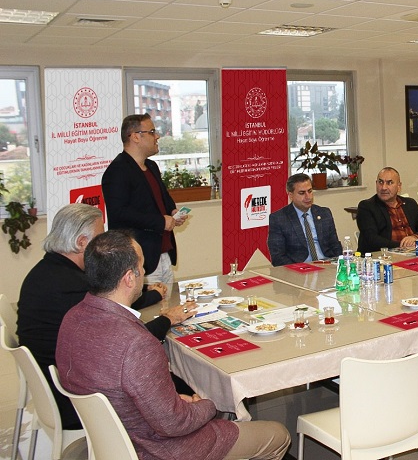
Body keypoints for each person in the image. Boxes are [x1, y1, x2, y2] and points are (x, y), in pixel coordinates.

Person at [56, 231, 292, 460]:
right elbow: (174, 424)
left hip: (110, 440)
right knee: (278, 435)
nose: (144, 273)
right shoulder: (137, 343)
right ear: (129, 278)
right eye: (141, 267)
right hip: (156, 448)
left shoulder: (72, 318)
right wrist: (208, 403)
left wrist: (177, 405)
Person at [17, 204, 197, 430]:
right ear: (81, 242)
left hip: (61, 381)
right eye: (100, 237)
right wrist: (168, 319)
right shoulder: (72, 285)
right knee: (184, 383)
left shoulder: (47, 271)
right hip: (77, 401)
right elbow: (127, 345)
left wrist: (146, 293)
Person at [102, 113, 187, 289]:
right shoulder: (117, 171)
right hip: (139, 259)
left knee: (167, 303)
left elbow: (162, 198)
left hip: (163, 253)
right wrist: (160, 221)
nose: (157, 136)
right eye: (152, 132)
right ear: (135, 137)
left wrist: (172, 212)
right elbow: (118, 213)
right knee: (150, 306)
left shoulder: (152, 166)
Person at [267, 173, 341, 265]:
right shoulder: (279, 218)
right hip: (300, 268)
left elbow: (335, 246)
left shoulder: (324, 213)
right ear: (291, 195)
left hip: (327, 264)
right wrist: (299, 269)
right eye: (302, 193)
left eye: (310, 191)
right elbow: (278, 257)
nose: (308, 197)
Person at [356, 167, 418, 253]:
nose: (384, 187)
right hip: (384, 255)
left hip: (413, 253)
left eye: (389, 183)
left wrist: (415, 237)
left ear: (399, 186)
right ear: (376, 184)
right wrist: (404, 245)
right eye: (380, 182)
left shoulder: (410, 204)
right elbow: (372, 240)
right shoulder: (367, 207)